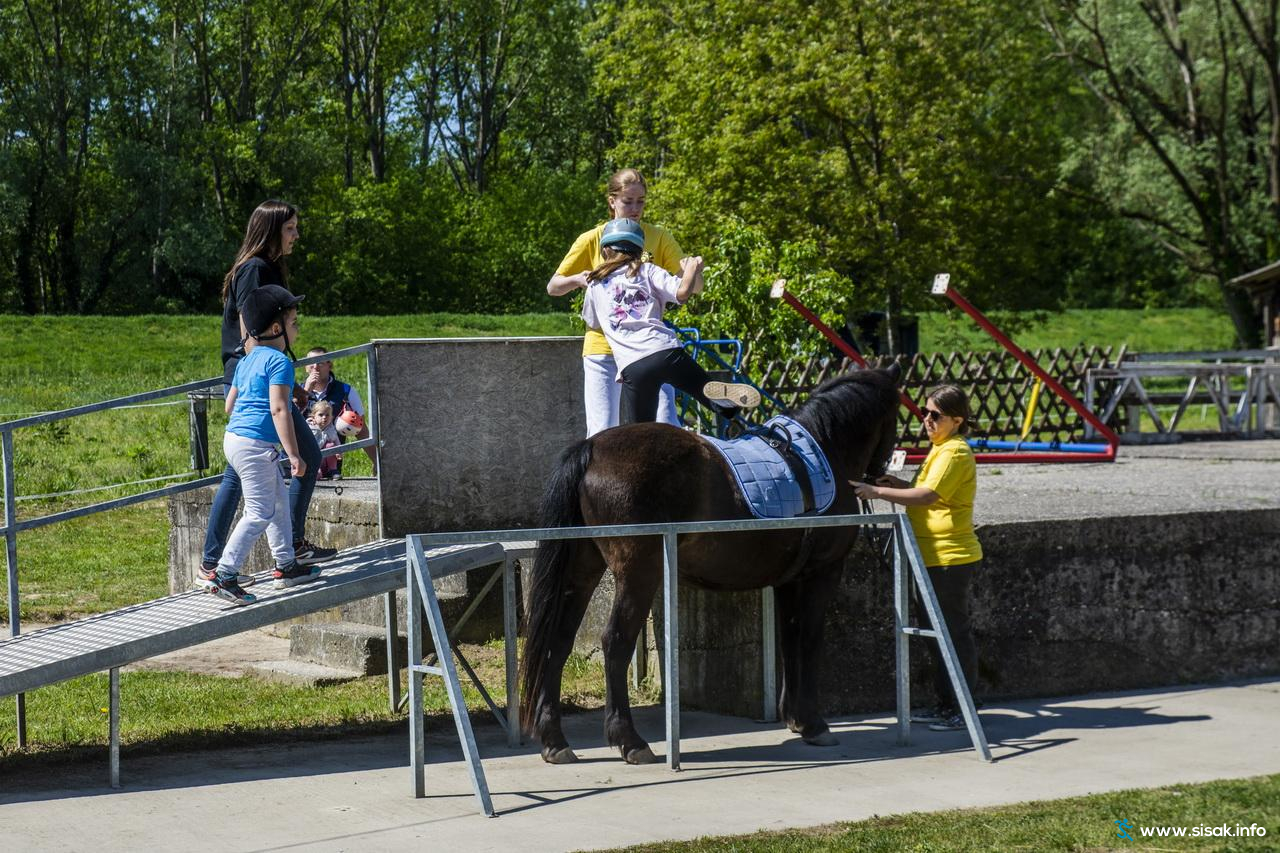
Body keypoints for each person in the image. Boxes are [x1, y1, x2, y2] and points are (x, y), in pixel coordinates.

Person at [200, 200, 336, 587]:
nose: (296, 235)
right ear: (272, 230)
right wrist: (280, 382)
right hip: (257, 377)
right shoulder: (255, 269)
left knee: (239, 473)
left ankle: (226, 561)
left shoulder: (267, 267)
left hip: (258, 375)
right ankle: (271, 553)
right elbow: (252, 330)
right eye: (290, 228)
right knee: (303, 456)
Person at [852, 385, 982, 732]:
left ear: (957, 420)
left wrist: (877, 491)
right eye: (925, 413)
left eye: (935, 415)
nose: (927, 419)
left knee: (952, 634)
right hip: (932, 556)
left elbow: (926, 497)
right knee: (937, 635)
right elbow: (925, 492)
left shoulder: (954, 452)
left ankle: (963, 708)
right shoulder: (940, 449)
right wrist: (895, 483)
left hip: (949, 557)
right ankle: (947, 704)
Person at [201, 285, 322, 604]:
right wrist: (294, 454)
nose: (297, 329)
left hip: (234, 439)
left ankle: (286, 565)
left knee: (278, 502)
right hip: (255, 446)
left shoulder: (247, 360)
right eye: (294, 323)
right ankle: (225, 574)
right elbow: (280, 410)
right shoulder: (279, 363)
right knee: (259, 512)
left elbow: (229, 406)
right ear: (277, 328)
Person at [579, 218, 760, 424]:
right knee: (708, 393)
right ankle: (729, 409)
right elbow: (682, 294)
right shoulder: (648, 270)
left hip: (633, 367)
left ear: (605, 251)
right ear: (639, 250)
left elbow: (593, 322)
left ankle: (641, 443)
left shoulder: (595, 285)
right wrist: (691, 269)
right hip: (665, 352)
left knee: (639, 432)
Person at [547, 168, 684, 435]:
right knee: (602, 432)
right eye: (628, 201)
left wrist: (692, 273)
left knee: (664, 424)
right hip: (603, 346)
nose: (635, 209)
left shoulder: (658, 237)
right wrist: (578, 279)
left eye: (641, 201)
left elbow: (685, 282)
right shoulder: (593, 238)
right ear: (612, 201)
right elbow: (553, 286)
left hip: (647, 347)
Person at [302, 346, 376, 471]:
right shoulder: (297, 391)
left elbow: (361, 429)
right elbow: (286, 419)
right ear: (305, 367)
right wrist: (306, 391)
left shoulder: (346, 391)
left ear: (329, 365)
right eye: (310, 363)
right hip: (303, 462)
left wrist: (376, 461)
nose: (315, 367)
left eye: (320, 362)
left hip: (332, 463)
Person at [306, 399, 342, 479]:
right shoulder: (309, 427)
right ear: (313, 417)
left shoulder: (331, 428)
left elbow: (336, 440)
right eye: (321, 415)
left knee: (330, 445)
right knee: (311, 448)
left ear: (332, 417)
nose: (324, 417)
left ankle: (333, 470)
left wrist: (339, 451)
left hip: (326, 462)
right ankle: (316, 472)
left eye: (327, 415)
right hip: (314, 461)